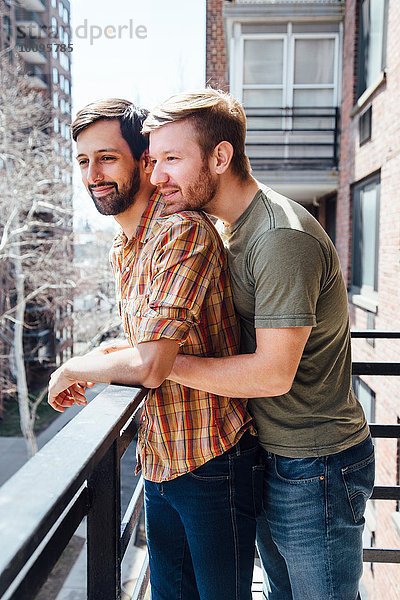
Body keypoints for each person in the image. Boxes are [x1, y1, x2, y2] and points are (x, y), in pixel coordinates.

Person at [143, 89, 375, 600]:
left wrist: (159, 365)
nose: (157, 176)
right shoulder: (229, 229)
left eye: (172, 159)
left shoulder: (279, 238)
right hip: (272, 454)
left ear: (220, 157)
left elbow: (272, 373)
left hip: (317, 465)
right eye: (154, 160)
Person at [47, 98, 262, 600]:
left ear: (144, 160)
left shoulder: (180, 234)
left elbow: (150, 363)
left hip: (212, 461)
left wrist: (77, 367)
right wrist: (105, 356)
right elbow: (147, 341)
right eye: (83, 161)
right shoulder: (126, 247)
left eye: (107, 157)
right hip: (161, 458)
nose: (93, 174)